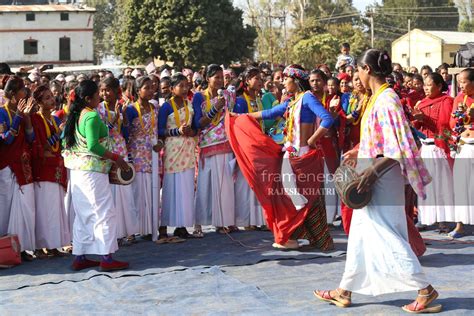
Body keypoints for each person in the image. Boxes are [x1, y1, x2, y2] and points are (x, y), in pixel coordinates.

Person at [314, 49, 441, 314]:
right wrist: (359, 150)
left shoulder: (386, 100)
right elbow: (381, 138)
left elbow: (397, 149)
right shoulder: (377, 99)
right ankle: (344, 290)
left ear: (366, 69)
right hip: (373, 176)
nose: (356, 75)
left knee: (385, 235)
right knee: (360, 235)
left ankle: (425, 289)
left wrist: (371, 171)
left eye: (357, 70)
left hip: (380, 178)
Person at [227, 64, 335, 250]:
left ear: (295, 80)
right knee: (290, 197)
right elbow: (269, 113)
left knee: (305, 198)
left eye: (286, 79)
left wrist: (311, 140)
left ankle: (310, 238)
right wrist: (240, 116)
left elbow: (327, 118)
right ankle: (290, 236)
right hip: (292, 155)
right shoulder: (292, 102)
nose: (283, 82)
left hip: (304, 156)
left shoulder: (307, 98)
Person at [62, 80, 129, 271]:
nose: (100, 97)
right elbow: (93, 146)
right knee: (103, 212)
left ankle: (80, 256)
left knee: (83, 214)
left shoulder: (75, 116)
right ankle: (107, 258)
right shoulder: (90, 116)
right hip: (92, 172)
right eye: (97, 94)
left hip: (78, 172)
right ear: (87, 98)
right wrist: (117, 158)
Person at [193, 64, 236, 235]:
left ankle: (224, 221)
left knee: (225, 184)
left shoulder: (227, 96)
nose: (220, 80)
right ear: (207, 78)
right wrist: (214, 109)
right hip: (207, 145)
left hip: (225, 143)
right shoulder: (199, 97)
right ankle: (199, 224)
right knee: (205, 185)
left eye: (221, 77)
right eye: (216, 77)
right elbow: (198, 123)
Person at [97, 78, 139, 243]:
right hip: (108, 153)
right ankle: (113, 233)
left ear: (116, 91)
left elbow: (126, 132)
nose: (104, 93)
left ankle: (127, 230)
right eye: (102, 90)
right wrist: (114, 119)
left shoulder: (123, 107)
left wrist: (124, 119)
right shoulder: (99, 109)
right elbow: (102, 133)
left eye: (108, 90)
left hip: (121, 150)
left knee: (124, 193)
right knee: (111, 194)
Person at [412, 73, 455, 232]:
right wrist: (417, 118)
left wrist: (425, 119)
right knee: (426, 184)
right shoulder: (421, 103)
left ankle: (444, 220)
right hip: (426, 148)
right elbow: (416, 127)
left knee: (442, 183)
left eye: (429, 84)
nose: (425, 87)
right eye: (424, 84)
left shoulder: (447, 102)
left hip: (440, 148)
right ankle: (426, 218)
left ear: (438, 86)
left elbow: (447, 127)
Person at [31, 85, 70, 257]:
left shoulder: (53, 119)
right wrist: (58, 133)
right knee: (43, 209)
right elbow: (42, 145)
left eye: (51, 96)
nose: (51, 100)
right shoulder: (36, 119)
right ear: (38, 102)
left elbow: (54, 145)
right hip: (43, 170)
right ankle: (40, 247)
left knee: (55, 208)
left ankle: (53, 245)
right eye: (46, 98)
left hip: (55, 167)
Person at [0, 75, 36, 261]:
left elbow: (31, 139)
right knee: (5, 208)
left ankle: (21, 248)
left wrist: (27, 120)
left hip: (23, 167)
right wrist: (18, 119)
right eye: (22, 89)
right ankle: (5, 248)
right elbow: (6, 139)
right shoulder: (1, 113)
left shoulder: (23, 113)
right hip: (6, 167)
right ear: (13, 94)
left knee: (23, 208)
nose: (25, 92)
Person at [158, 73, 197, 239]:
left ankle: (182, 226)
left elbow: (195, 128)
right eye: (180, 86)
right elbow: (159, 131)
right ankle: (163, 226)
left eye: (186, 85)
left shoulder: (189, 104)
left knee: (186, 188)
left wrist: (191, 131)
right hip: (173, 150)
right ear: (172, 89)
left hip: (187, 149)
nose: (184, 88)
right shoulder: (166, 107)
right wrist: (176, 131)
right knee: (171, 187)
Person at [125, 77, 161, 241]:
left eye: (152, 87)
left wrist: (159, 142)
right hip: (137, 153)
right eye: (146, 88)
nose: (150, 90)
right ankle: (134, 229)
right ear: (137, 90)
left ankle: (149, 228)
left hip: (152, 153)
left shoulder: (154, 107)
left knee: (151, 190)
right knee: (138, 191)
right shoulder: (131, 110)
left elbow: (157, 130)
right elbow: (126, 133)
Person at [232, 67, 266, 230]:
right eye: (255, 78)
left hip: (259, 145)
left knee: (258, 182)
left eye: (260, 78)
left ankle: (258, 220)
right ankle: (244, 220)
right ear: (246, 81)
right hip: (246, 146)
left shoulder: (259, 100)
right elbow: (238, 124)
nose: (259, 81)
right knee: (244, 182)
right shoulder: (240, 101)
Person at [450, 68, 474, 238]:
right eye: (459, 82)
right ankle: (460, 225)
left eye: (464, 82)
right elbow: (452, 122)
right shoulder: (459, 98)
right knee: (460, 185)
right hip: (463, 145)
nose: (461, 85)